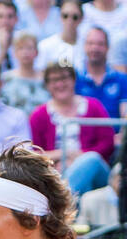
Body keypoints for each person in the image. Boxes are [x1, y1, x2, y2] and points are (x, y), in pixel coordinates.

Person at [29, 63, 113, 194]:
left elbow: (107, 144)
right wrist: (64, 155)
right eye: (54, 80)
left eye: (64, 78)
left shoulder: (93, 106)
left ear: (73, 80)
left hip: (96, 171)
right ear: (47, 85)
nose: (60, 84)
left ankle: (64, 205)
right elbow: (35, 153)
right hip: (56, 170)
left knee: (91, 159)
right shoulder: (39, 115)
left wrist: (78, 158)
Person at [76, 25, 127, 121]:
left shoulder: (121, 79)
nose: (95, 48)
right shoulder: (75, 78)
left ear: (107, 47)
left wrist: (122, 135)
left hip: (114, 134)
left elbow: (126, 114)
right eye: (90, 43)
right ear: (84, 46)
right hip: (84, 134)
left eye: (100, 44)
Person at [3, 31, 48, 117]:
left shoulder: (46, 79)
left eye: (29, 48)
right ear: (14, 53)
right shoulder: (6, 78)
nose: (25, 52)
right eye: (21, 48)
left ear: (37, 52)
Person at [36, 0, 84, 72]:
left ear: (81, 18)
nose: (69, 20)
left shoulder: (88, 46)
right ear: (60, 16)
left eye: (75, 17)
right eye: (65, 16)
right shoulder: (45, 46)